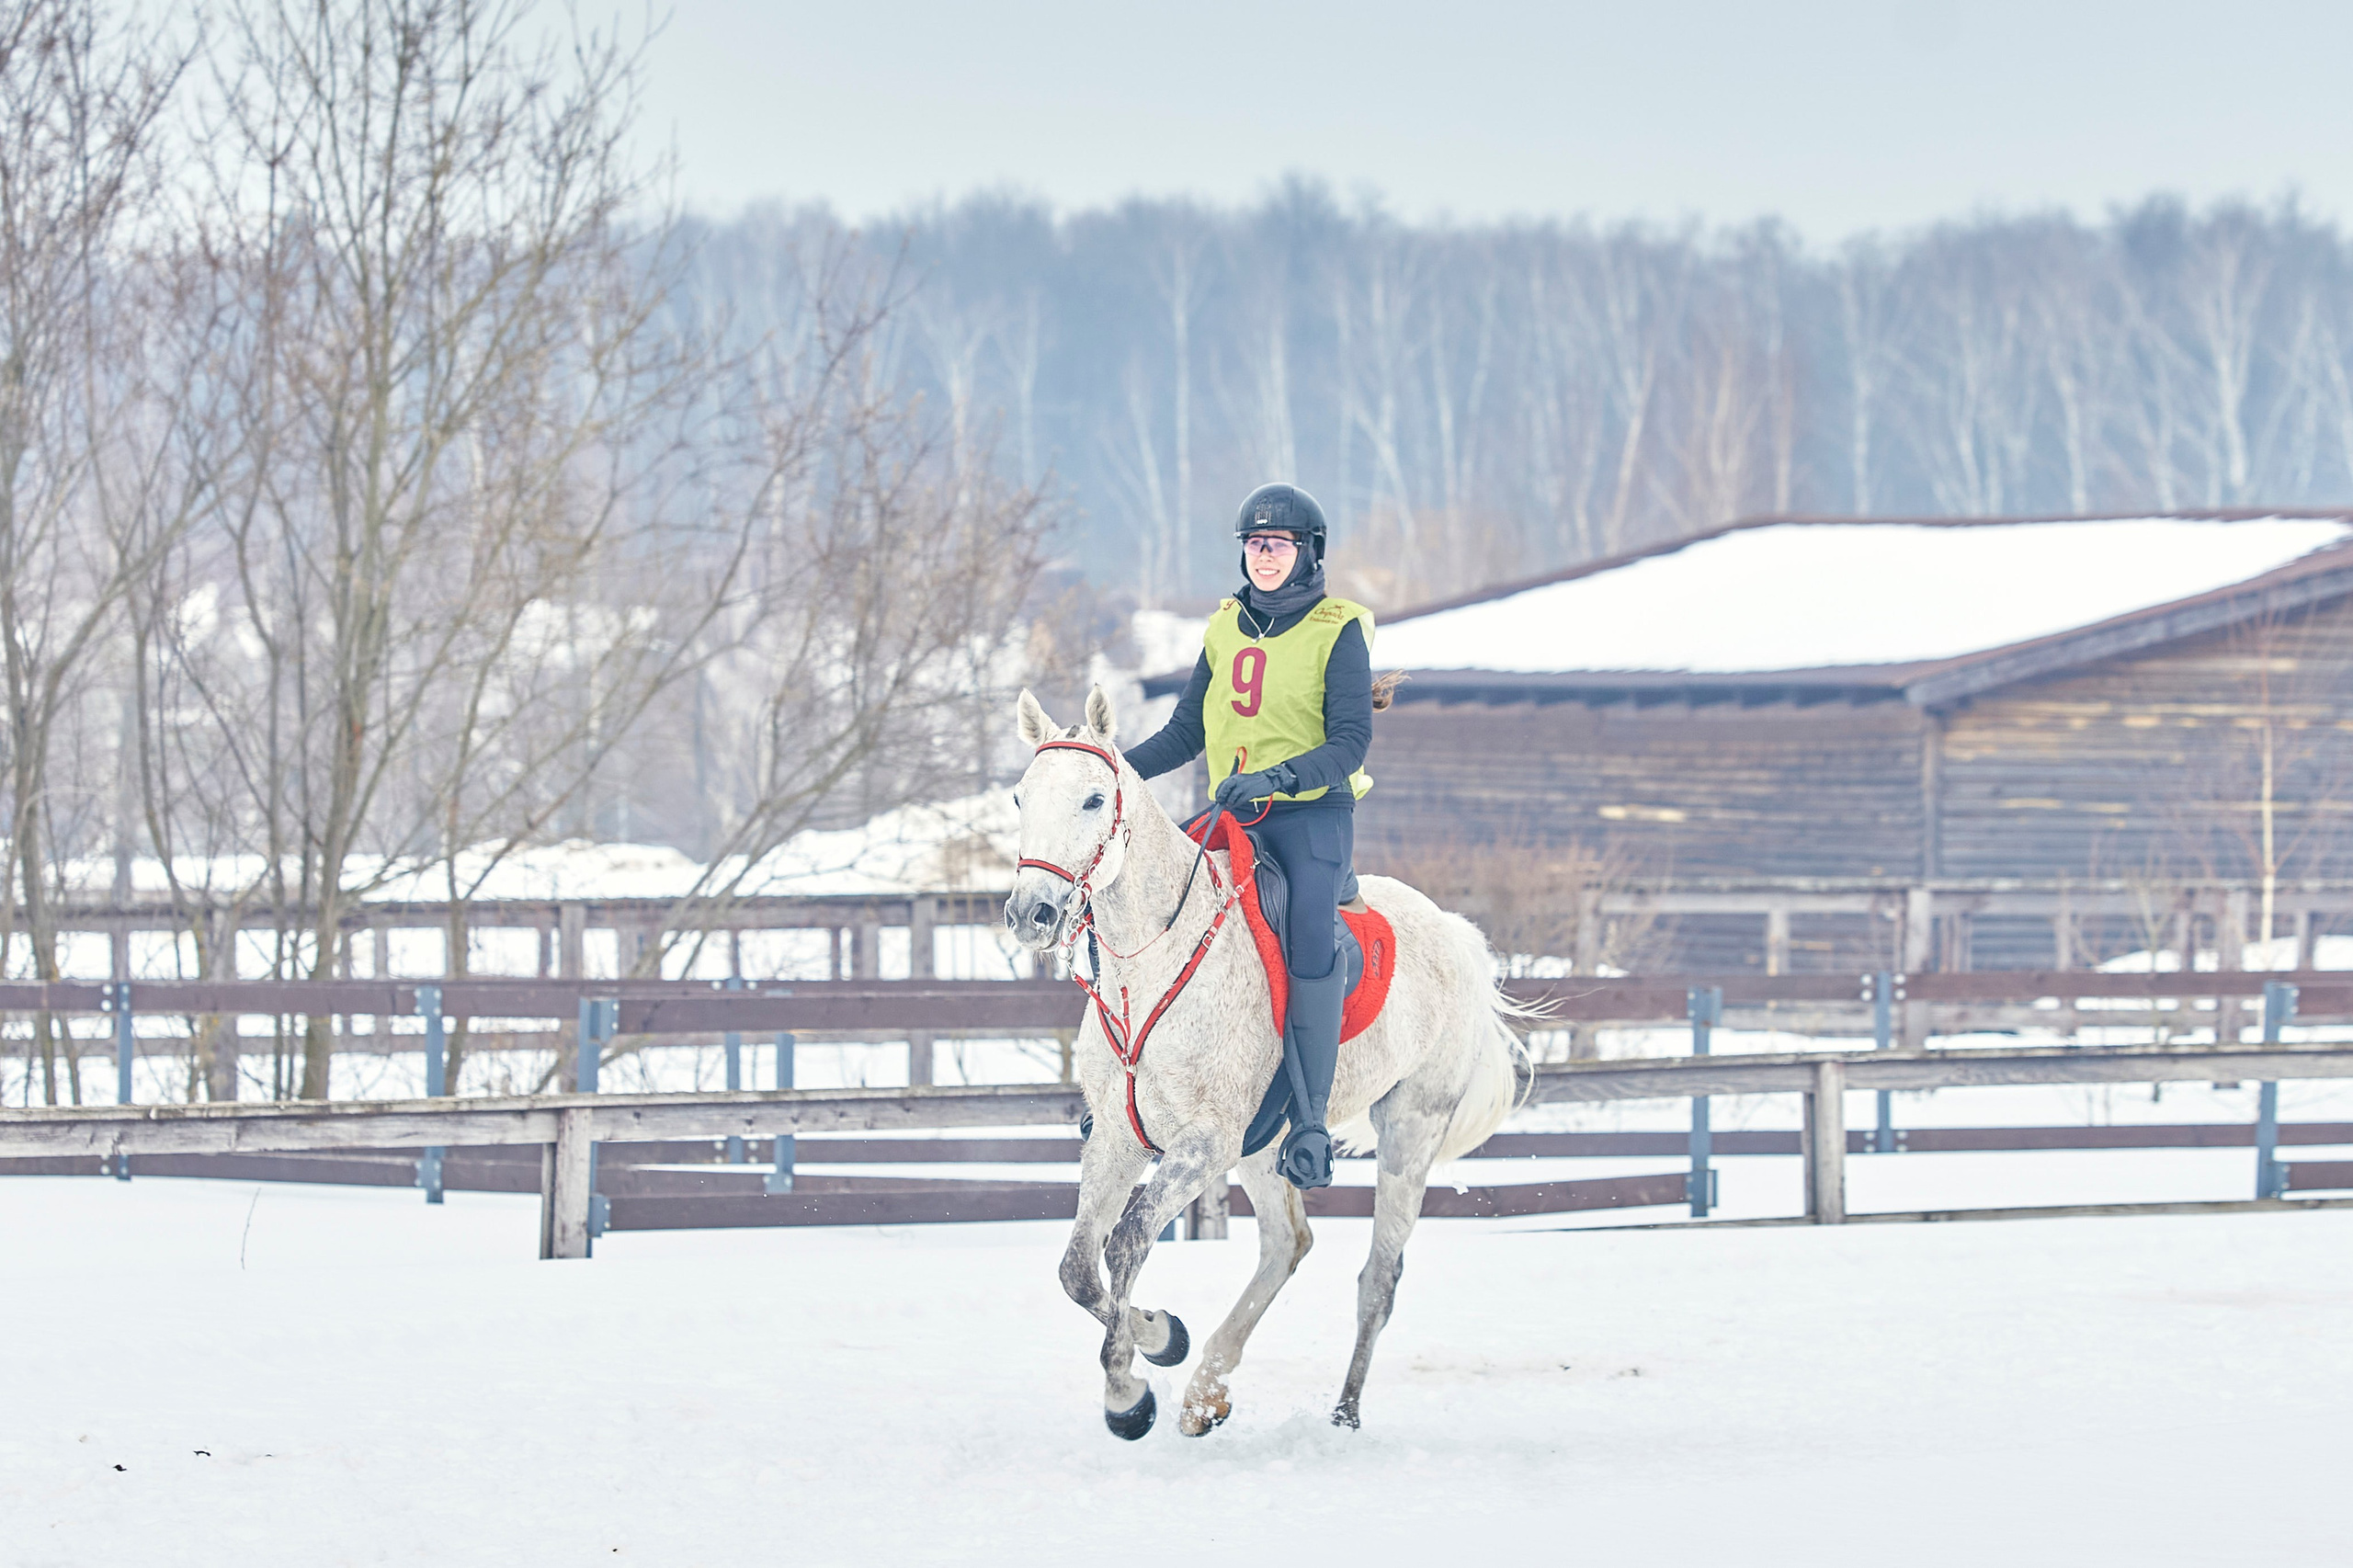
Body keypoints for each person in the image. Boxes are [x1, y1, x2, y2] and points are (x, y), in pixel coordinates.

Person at [1125, 482, 1373, 1190]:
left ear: (1307, 551)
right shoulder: (1225, 625)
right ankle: (1132, 1091)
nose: (1264, 556)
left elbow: (1351, 744)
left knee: (1305, 936)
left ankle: (1313, 1123)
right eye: (1254, 545)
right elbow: (1184, 733)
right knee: (1150, 904)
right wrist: (1109, 768)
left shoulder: (1339, 628)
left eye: (1278, 545)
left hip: (1310, 818)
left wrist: (1278, 780)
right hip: (1232, 814)